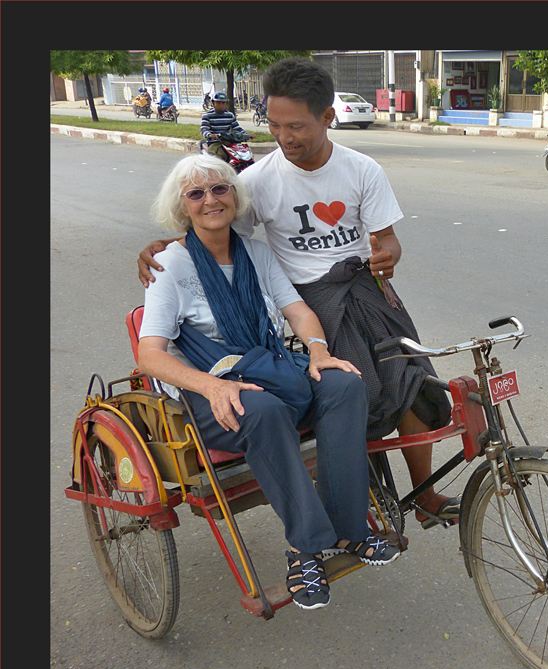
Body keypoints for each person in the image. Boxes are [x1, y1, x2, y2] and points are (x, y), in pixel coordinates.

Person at [138, 58, 460, 529]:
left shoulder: (362, 169)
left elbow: (386, 237)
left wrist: (388, 254)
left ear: (328, 117)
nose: (285, 137)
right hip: (313, 302)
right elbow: (216, 231)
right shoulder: (257, 180)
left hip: (368, 290)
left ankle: (424, 495)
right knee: (359, 394)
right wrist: (166, 244)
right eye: (273, 124)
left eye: (296, 126)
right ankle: (361, 499)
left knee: (413, 382)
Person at [138, 153, 399, 611]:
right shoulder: (170, 267)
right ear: (182, 208)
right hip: (210, 394)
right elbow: (150, 355)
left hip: (269, 369)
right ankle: (305, 549)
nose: (210, 200)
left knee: (343, 385)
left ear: (235, 197)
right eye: (196, 194)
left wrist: (319, 350)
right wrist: (214, 387)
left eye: (220, 189)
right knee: (264, 410)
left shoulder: (256, 253)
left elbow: (295, 309)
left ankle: (349, 528)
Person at [201, 91, 248, 163]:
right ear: (213, 103)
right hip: (215, 142)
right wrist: (210, 135)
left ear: (226, 103)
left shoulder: (230, 115)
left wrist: (247, 135)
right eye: (218, 103)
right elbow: (204, 130)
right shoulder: (207, 116)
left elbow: (237, 128)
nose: (221, 105)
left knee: (241, 157)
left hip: (228, 141)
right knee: (217, 160)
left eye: (223, 103)